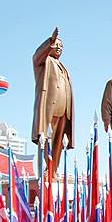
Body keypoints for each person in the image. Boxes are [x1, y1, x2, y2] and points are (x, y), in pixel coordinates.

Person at [32, 26, 74, 173]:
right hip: (50, 109)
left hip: (64, 112)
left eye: (61, 46)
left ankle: (54, 171)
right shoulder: (44, 62)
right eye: (56, 44)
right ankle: (45, 172)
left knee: (58, 143)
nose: (59, 47)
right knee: (46, 141)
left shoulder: (63, 66)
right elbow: (36, 56)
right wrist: (51, 40)